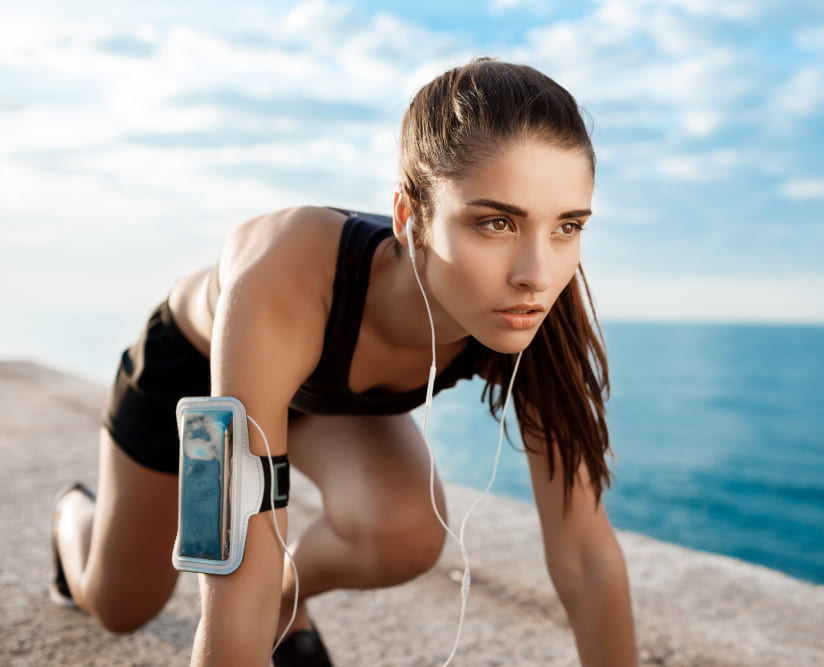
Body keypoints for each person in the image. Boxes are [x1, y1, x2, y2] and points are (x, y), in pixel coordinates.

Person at [51, 57, 638, 666]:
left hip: (324, 398)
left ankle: (289, 601)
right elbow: (231, 585)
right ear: (410, 218)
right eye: (495, 223)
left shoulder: (534, 308)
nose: (537, 276)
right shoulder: (286, 279)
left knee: (405, 532)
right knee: (119, 605)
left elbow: (586, 556)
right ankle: (74, 513)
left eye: (567, 226)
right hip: (195, 374)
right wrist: (245, 606)